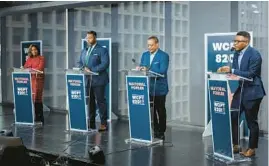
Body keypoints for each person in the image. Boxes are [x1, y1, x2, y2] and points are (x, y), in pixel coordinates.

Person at [219, 31, 266, 157]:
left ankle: (252, 148)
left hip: (253, 91)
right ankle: (235, 145)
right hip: (241, 89)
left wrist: (232, 70)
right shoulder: (236, 53)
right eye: (234, 41)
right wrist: (227, 72)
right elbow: (237, 71)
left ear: (246, 42)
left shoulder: (255, 55)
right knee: (233, 115)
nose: (235, 43)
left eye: (237, 41)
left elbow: (251, 74)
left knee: (251, 121)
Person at [137, 36, 169, 140]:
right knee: (151, 110)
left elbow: (162, 71)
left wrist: (148, 69)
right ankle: (155, 130)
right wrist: (140, 68)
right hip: (148, 87)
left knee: (160, 110)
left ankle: (161, 131)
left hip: (159, 88)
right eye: (148, 45)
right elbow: (142, 67)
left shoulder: (163, 56)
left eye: (151, 45)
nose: (149, 47)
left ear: (157, 44)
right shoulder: (145, 55)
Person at [77, 31, 109, 131]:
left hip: (98, 80)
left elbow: (105, 64)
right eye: (87, 38)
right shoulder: (84, 50)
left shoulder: (102, 50)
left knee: (100, 102)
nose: (88, 39)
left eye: (90, 38)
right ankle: (91, 123)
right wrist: (82, 68)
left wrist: (92, 70)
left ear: (95, 38)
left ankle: (104, 123)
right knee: (90, 102)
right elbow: (79, 62)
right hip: (88, 80)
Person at [23, 44, 45, 124]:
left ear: (38, 50)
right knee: (31, 98)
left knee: (37, 98)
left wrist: (31, 69)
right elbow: (25, 67)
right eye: (32, 50)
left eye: (35, 49)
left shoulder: (41, 58)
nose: (34, 51)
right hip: (30, 80)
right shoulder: (29, 59)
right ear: (30, 51)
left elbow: (40, 68)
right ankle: (32, 117)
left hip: (38, 80)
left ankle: (39, 118)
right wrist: (23, 69)